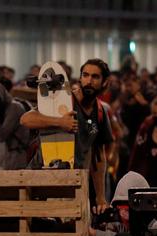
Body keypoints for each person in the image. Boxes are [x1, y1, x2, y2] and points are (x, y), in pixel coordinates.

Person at [20, 58, 113, 211]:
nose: (89, 81)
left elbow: (99, 158)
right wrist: (59, 122)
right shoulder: (63, 99)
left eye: (95, 77)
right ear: (80, 77)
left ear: (105, 82)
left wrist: (101, 196)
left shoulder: (101, 112)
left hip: (74, 184)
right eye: (85, 75)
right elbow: (26, 119)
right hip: (41, 180)